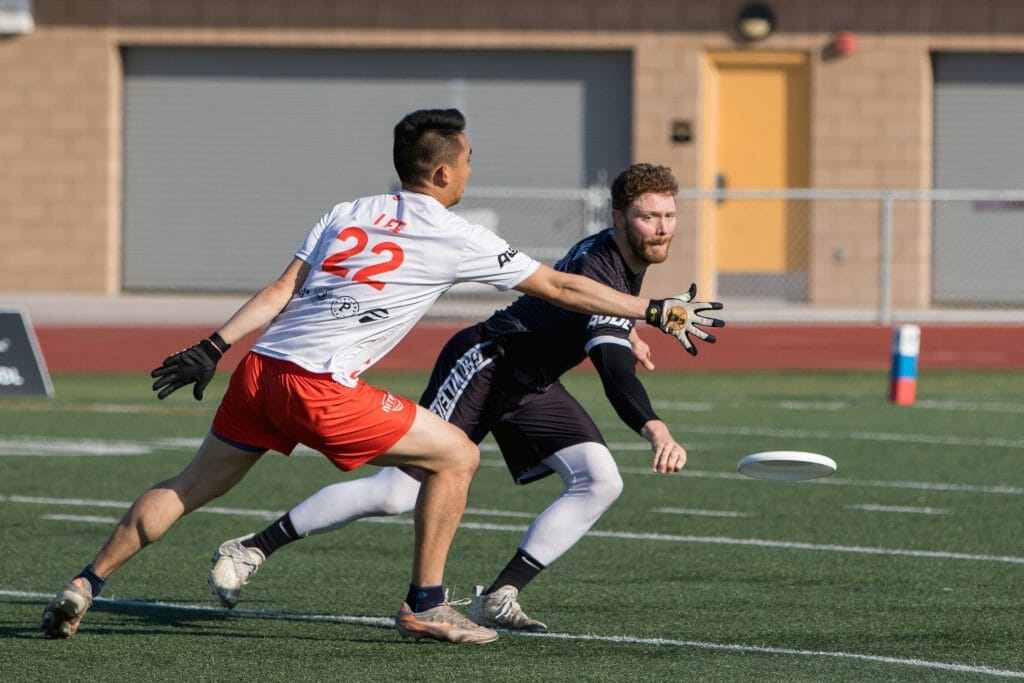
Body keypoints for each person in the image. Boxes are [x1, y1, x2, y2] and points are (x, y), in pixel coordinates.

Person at [40, 112, 716, 645]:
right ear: (446, 170)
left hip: (259, 371)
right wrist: (650, 310)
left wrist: (213, 345)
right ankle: (426, 603)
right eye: (470, 158)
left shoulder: (347, 210)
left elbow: (280, 290)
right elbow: (564, 286)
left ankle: (85, 581)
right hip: (322, 386)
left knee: (186, 485)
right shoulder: (456, 234)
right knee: (453, 454)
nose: (473, 168)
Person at [205, 163, 725, 633]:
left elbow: (596, 319)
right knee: (397, 493)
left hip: (532, 382)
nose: (661, 227)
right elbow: (609, 365)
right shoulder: (603, 261)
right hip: (486, 362)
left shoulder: (621, 257)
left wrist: (630, 327)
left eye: (669, 215)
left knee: (600, 480)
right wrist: (652, 426)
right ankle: (252, 548)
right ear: (618, 218)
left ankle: (498, 597)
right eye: (647, 216)